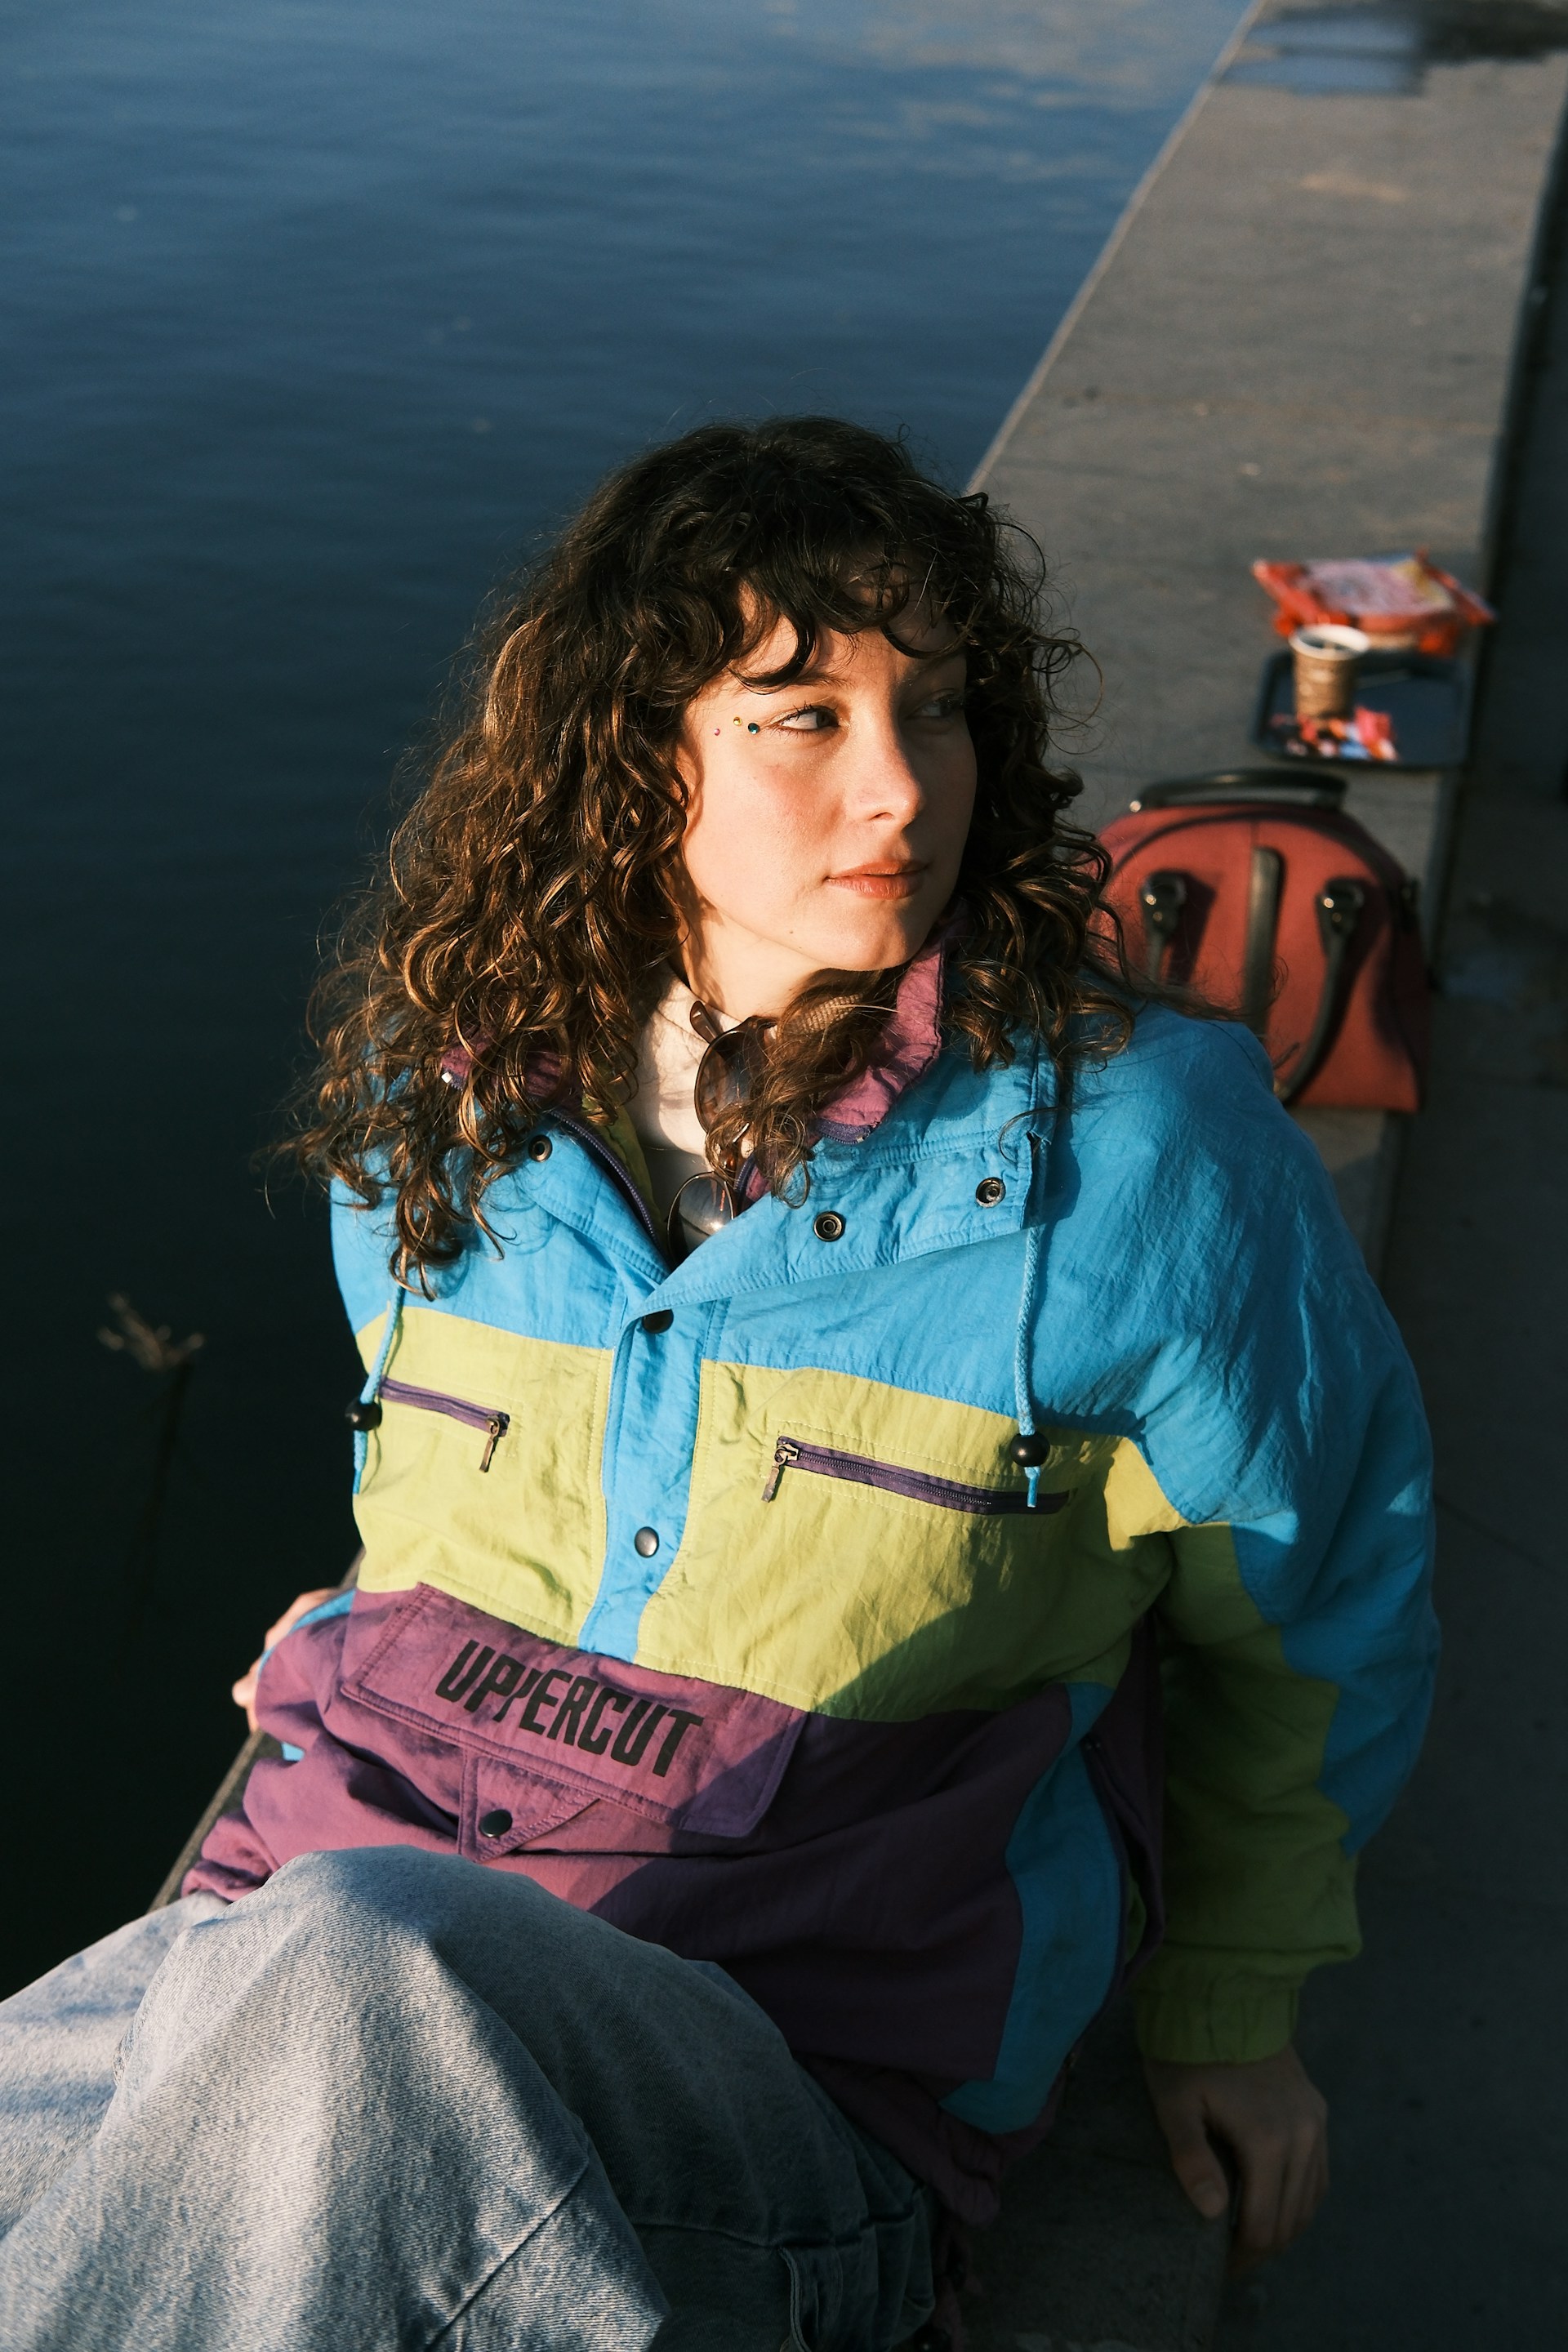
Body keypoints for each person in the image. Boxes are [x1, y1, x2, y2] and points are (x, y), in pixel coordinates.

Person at [0, 418, 1437, 2352]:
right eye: (800, 716)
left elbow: (1324, 1613)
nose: (901, 789)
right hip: (294, 1935)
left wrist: (1231, 2008)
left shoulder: (1143, 1163)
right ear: (630, 750)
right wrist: (364, 1624)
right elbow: (455, 1498)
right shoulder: (443, 1121)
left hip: (767, 2084)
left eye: (930, 711)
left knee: (353, 1986)